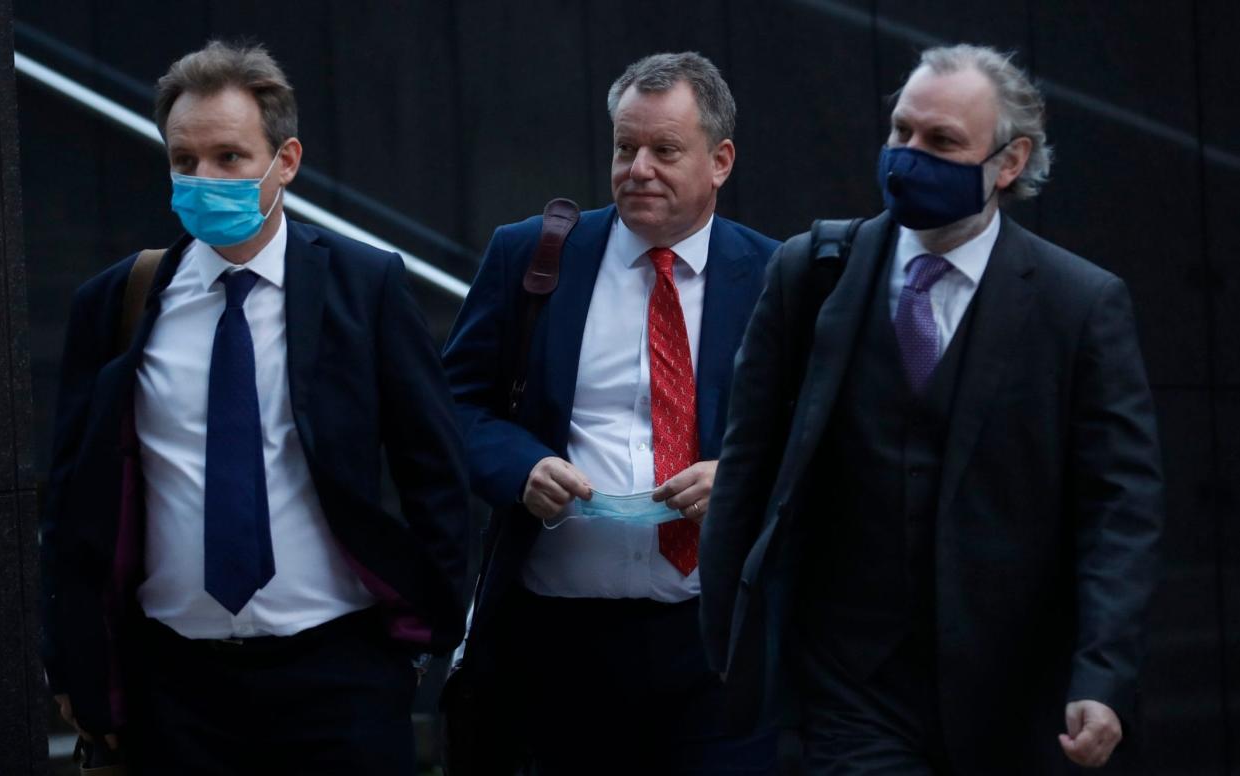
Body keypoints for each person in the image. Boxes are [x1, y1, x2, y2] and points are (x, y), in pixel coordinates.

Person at [700, 43, 1164, 775]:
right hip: (847, 686)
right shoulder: (811, 273)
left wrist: (1101, 677)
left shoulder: (1077, 305)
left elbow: (1118, 509)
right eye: (900, 132)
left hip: (1014, 690)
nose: (909, 156)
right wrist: (727, 639)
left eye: (941, 142)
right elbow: (748, 463)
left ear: (1007, 164)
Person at [41, 40, 470, 774]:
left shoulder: (363, 288)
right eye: (184, 161)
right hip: (175, 689)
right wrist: (81, 668)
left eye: (230, 158)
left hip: (340, 675)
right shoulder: (118, 303)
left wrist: (422, 638)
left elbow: (434, 468)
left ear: (286, 160)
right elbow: (74, 497)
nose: (203, 178)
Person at [442, 52, 779, 774]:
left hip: (712, 645)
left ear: (719, 161)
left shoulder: (776, 275)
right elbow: (452, 405)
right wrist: (520, 466)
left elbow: (818, 438)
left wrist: (739, 477)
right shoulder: (532, 257)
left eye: (664, 150)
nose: (638, 169)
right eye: (625, 148)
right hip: (555, 641)